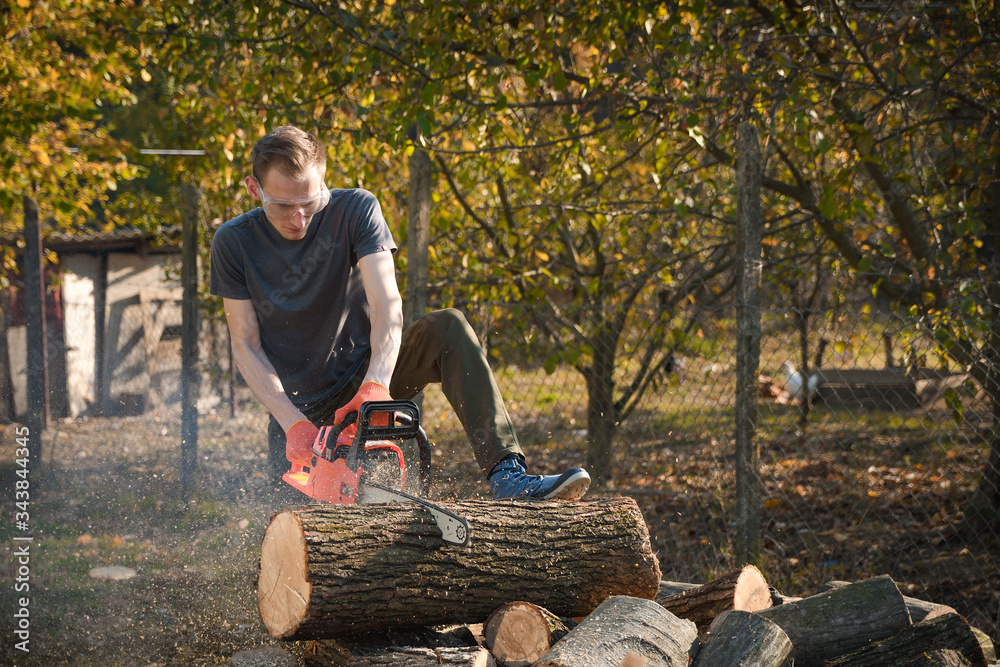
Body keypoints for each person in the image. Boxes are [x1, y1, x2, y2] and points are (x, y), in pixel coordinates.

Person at [209, 125, 590, 500]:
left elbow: (387, 305)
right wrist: (292, 422)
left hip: (364, 376)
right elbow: (245, 345)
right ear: (253, 188)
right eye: (283, 206)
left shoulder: (356, 209)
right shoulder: (234, 243)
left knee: (448, 328)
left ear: (324, 180)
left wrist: (375, 386)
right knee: (292, 540)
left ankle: (508, 475)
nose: (300, 219)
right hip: (297, 409)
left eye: (311, 204)